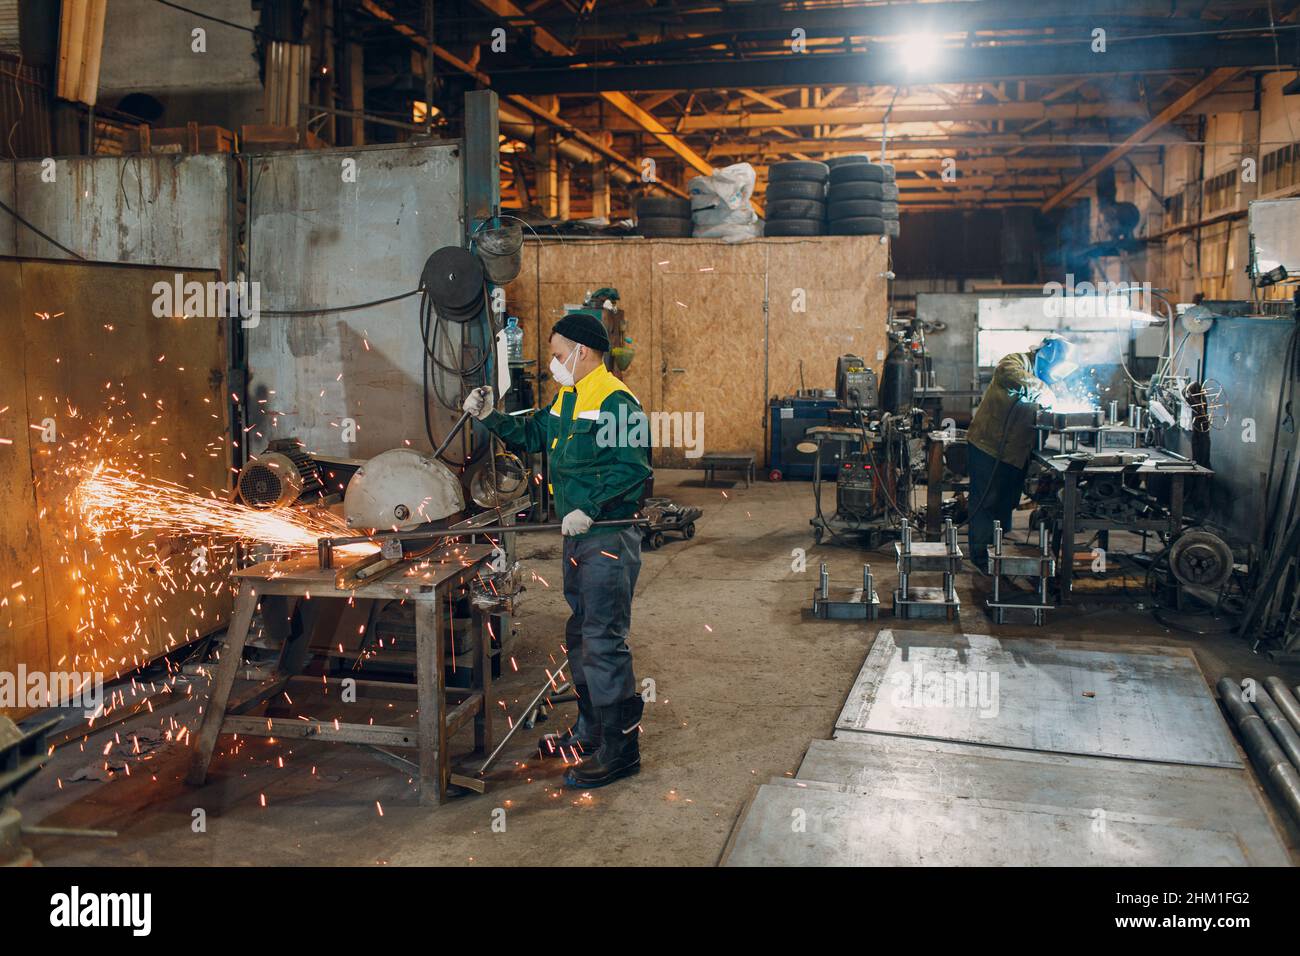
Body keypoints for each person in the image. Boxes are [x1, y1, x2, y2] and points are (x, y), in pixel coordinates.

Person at [462, 309, 652, 789]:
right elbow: (534, 435)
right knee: (582, 635)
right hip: (577, 536)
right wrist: (490, 418)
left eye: (557, 354)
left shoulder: (616, 402)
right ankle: (590, 731)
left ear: (582, 352)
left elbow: (633, 469)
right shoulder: (569, 397)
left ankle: (621, 750)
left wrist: (586, 506)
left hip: (607, 536)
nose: (553, 362)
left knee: (604, 639)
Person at [965, 333, 1076, 573]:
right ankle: (981, 557)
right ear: (1046, 356)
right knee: (986, 501)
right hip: (989, 446)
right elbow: (1011, 376)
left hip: (1016, 452)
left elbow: (1063, 401)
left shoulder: (1048, 378)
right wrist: (1047, 393)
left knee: (1005, 501)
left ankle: (997, 547)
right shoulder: (1014, 362)